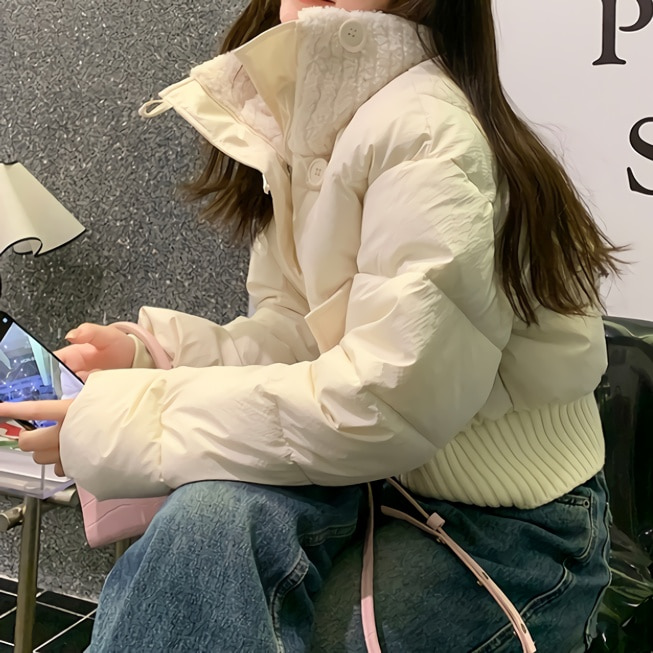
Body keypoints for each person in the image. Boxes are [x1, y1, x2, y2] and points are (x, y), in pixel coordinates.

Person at [1, 0, 620, 651]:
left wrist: (127, 416)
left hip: (511, 530)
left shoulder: (428, 136)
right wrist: (154, 358)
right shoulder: (315, 122)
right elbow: (303, 337)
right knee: (206, 525)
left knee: (205, 564)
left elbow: (382, 402)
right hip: (375, 482)